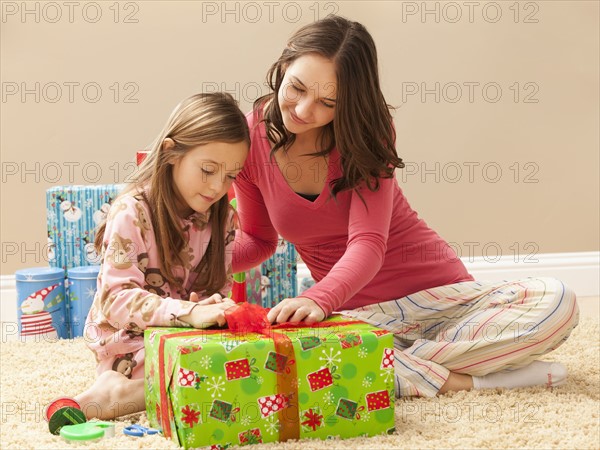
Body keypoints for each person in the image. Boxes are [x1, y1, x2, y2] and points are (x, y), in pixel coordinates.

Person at [232, 15, 579, 398]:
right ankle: (474, 378)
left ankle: (398, 362)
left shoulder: (367, 131)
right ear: (283, 67)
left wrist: (316, 298)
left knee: (557, 300)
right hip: (359, 316)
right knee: (303, 359)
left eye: (327, 102)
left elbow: (367, 242)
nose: (303, 109)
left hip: (438, 298)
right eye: (296, 88)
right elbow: (258, 241)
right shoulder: (248, 139)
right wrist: (192, 257)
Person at [46, 92, 249, 431]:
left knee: (244, 362)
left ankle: (139, 392)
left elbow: (218, 291)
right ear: (171, 153)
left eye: (231, 176)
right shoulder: (133, 211)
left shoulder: (224, 219)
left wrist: (212, 309)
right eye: (209, 170)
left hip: (184, 337)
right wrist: (186, 313)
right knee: (211, 378)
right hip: (131, 344)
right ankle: (116, 393)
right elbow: (115, 300)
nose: (218, 186)